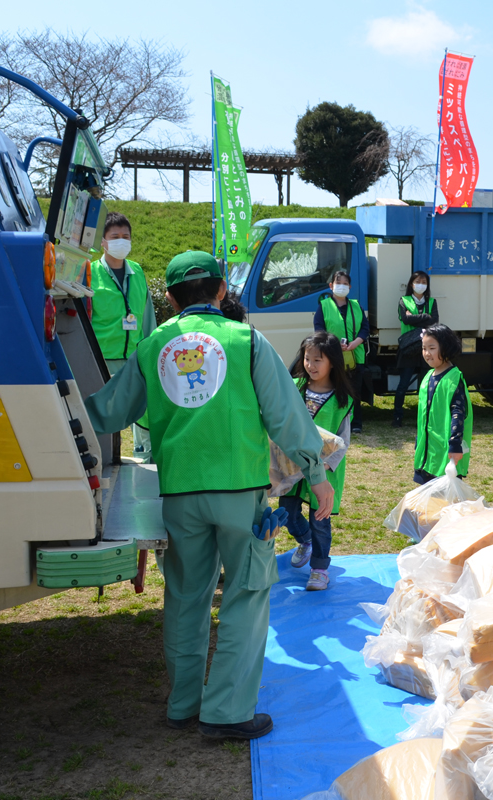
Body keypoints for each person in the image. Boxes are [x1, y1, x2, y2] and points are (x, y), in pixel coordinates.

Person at [83, 251, 332, 740]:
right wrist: (315, 471)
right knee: (245, 592)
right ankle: (227, 713)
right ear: (222, 291)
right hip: (240, 492)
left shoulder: (155, 343)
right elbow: (286, 416)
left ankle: (183, 706)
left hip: (178, 492)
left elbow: (107, 413)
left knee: (184, 596)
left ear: (171, 298)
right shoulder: (248, 341)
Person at [281, 331, 354, 593]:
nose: (311, 365)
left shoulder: (343, 399)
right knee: (286, 512)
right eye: (307, 359)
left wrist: (323, 466)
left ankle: (320, 569)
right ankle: (305, 540)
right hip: (292, 468)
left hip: (324, 473)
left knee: (320, 520)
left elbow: (343, 441)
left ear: (333, 362)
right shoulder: (294, 387)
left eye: (318, 360)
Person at [87, 211, 157, 461]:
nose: (121, 241)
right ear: (103, 242)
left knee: (144, 414)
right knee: (104, 417)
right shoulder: (89, 273)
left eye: (125, 236)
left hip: (135, 358)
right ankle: (102, 460)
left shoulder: (137, 272)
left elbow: (147, 317)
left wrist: (151, 352)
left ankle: (147, 458)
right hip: (100, 361)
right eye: (114, 236)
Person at [414, 324, 472, 484]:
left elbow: (458, 413)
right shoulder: (427, 377)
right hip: (427, 453)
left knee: (443, 503)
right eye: (424, 348)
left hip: (445, 454)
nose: (426, 353)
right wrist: (419, 441)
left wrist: (455, 445)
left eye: (431, 348)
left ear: (446, 348)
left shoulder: (453, 378)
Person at [314, 271, 369, 433]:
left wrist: (355, 343)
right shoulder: (324, 306)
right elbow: (319, 330)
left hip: (355, 356)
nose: (342, 286)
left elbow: (365, 328)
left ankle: (356, 423)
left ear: (350, 287)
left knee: (355, 391)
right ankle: (336, 422)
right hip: (332, 356)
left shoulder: (356, 305)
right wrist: (334, 344)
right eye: (338, 283)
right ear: (331, 286)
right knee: (334, 390)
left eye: (345, 284)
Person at [393, 271, 440, 428]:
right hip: (409, 348)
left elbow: (434, 322)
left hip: (427, 349)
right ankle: (397, 417)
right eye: (418, 281)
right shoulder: (403, 300)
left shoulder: (432, 302)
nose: (421, 284)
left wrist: (415, 318)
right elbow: (405, 318)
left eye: (424, 282)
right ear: (411, 284)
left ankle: (426, 418)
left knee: (427, 385)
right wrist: (425, 318)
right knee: (403, 385)